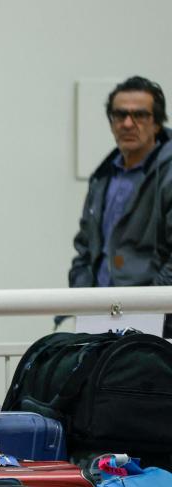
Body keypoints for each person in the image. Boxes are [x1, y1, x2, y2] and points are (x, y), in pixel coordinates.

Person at [69, 76, 172, 334]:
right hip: (99, 317)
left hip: (154, 322)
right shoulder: (103, 175)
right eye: (120, 115)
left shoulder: (168, 174)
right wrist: (83, 300)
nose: (128, 123)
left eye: (140, 115)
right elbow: (85, 247)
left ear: (157, 123)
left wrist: (149, 305)